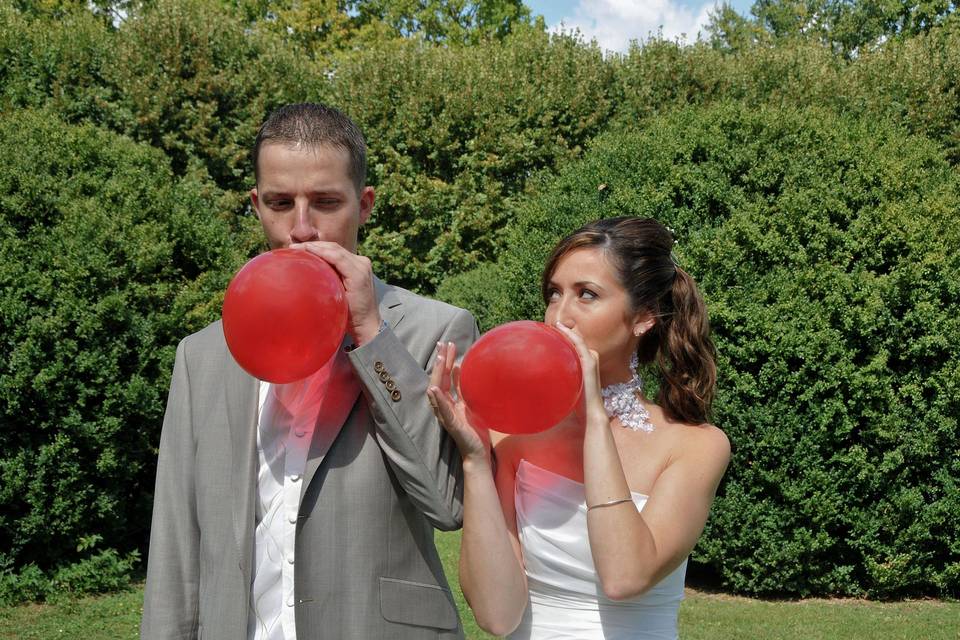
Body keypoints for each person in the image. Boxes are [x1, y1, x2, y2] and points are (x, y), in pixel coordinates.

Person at [141, 103, 478, 640]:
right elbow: (176, 541)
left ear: (363, 205)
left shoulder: (435, 330)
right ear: (256, 206)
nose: (300, 228)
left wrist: (369, 335)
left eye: (325, 202)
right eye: (280, 203)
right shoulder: (201, 355)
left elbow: (447, 503)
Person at [427, 217, 730, 639]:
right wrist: (476, 458)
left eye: (586, 294)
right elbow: (497, 616)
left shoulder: (696, 446)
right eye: (554, 293)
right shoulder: (514, 435)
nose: (559, 316)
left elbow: (624, 577)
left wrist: (594, 419)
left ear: (643, 316)